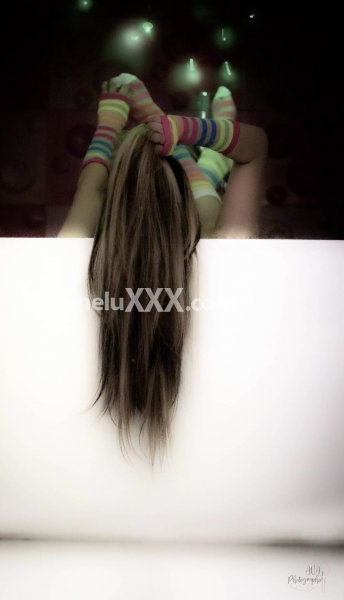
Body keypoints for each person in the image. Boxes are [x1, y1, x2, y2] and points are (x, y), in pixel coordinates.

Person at [58, 74, 268, 464]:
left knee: (202, 207)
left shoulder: (68, 252)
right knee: (206, 207)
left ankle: (198, 160)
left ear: (113, 202)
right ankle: (201, 159)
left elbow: (92, 188)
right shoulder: (225, 251)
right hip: (197, 208)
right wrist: (185, 129)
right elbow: (256, 147)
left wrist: (109, 124)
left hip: (162, 204)